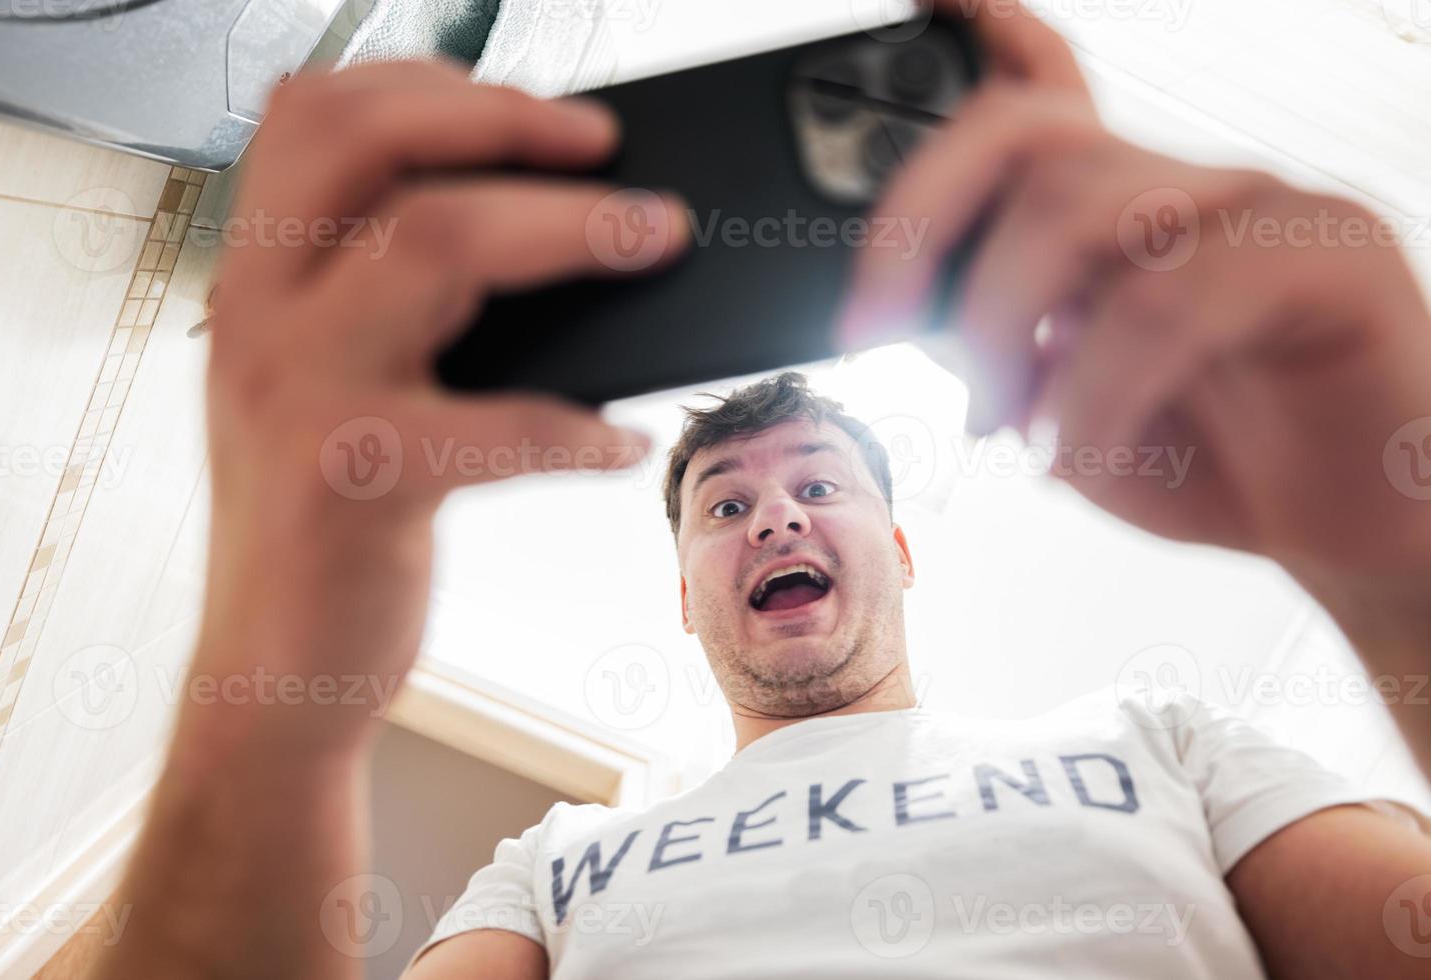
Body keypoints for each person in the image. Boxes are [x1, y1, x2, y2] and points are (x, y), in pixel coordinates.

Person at [87, 1, 1431, 978]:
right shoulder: (553, 866)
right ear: (685, 599)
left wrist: (1395, 567)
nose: (776, 516)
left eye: (817, 489)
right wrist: (272, 669)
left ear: (900, 550)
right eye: (725, 503)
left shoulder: (1166, 744)